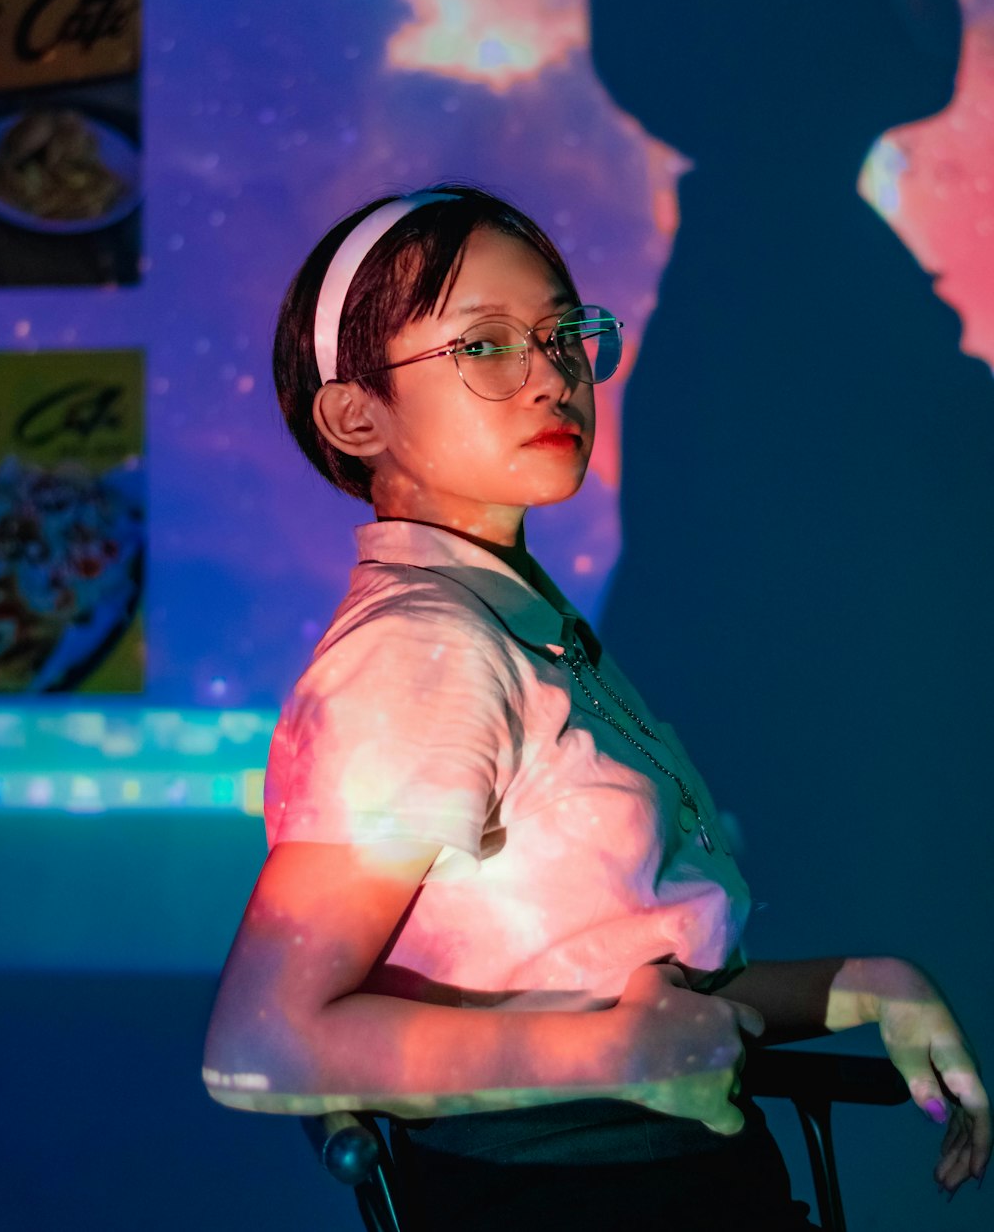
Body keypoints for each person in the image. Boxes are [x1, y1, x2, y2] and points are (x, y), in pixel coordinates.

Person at [203, 185, 989, 1230]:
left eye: (562, 334)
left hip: (685, 1183)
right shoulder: (427, 649)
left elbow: (623, 993)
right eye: (483, 347)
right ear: (357, 414)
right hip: (574, 1200)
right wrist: (610, 1052)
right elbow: (261, 1044)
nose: (553, 377)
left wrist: (859, 985)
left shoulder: (514, 620)